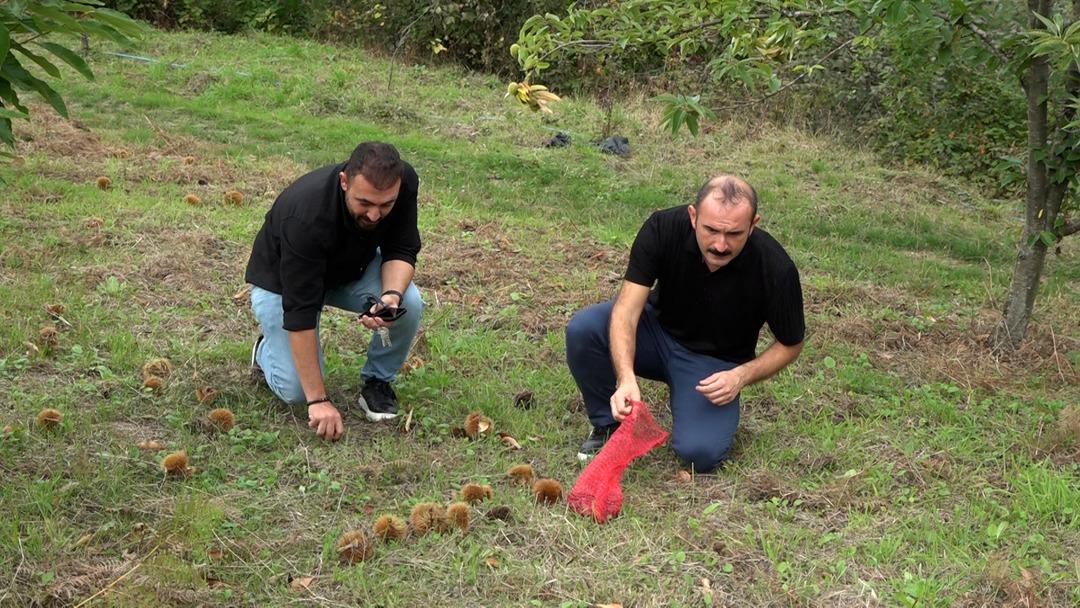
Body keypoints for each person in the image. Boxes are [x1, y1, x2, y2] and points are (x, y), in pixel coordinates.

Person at [565, 175, 804, 472]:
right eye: (711, 230)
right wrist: (626, 377)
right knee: (585, 329)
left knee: (699, 454)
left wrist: (740, 376)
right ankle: (606, 425)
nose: (720, 244)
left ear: (754, 224)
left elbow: (791, 343)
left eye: (734, 234)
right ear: (693, 216)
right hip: (654, 334)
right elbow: (626, 309)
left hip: (711, 366)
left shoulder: (776, 268)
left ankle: (695, 410)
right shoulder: (663, 228)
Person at [244, 142, 423, 440]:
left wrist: (390, 297)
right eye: (364, 203)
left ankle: (377, 381)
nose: (375, 215)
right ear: (344, 181)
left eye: (385, 205)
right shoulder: (305, 214)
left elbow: (401, 247)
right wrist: (318, 400)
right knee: (297, 391)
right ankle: (266, 351)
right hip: (282, 283)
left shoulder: (404, 183)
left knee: (409, 303)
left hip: (349, 271)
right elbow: (300, 310)